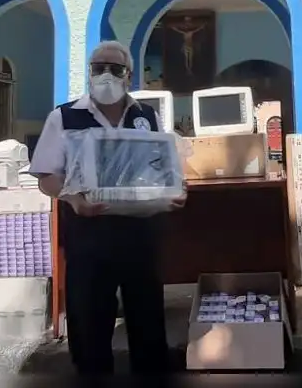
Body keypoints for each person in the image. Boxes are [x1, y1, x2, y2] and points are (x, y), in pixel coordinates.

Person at [29, 40, 187, 375]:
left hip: (140, 233)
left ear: (129, 75)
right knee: (90, 329)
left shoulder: (147, 115)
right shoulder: (65, 116)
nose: (106, 74)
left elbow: (160, 167)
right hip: (89, 233)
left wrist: (173, 190)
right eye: (98, 67)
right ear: (89, 72)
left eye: (115, 69)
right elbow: (46, 175)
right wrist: (73, 199)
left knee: (147, 328)